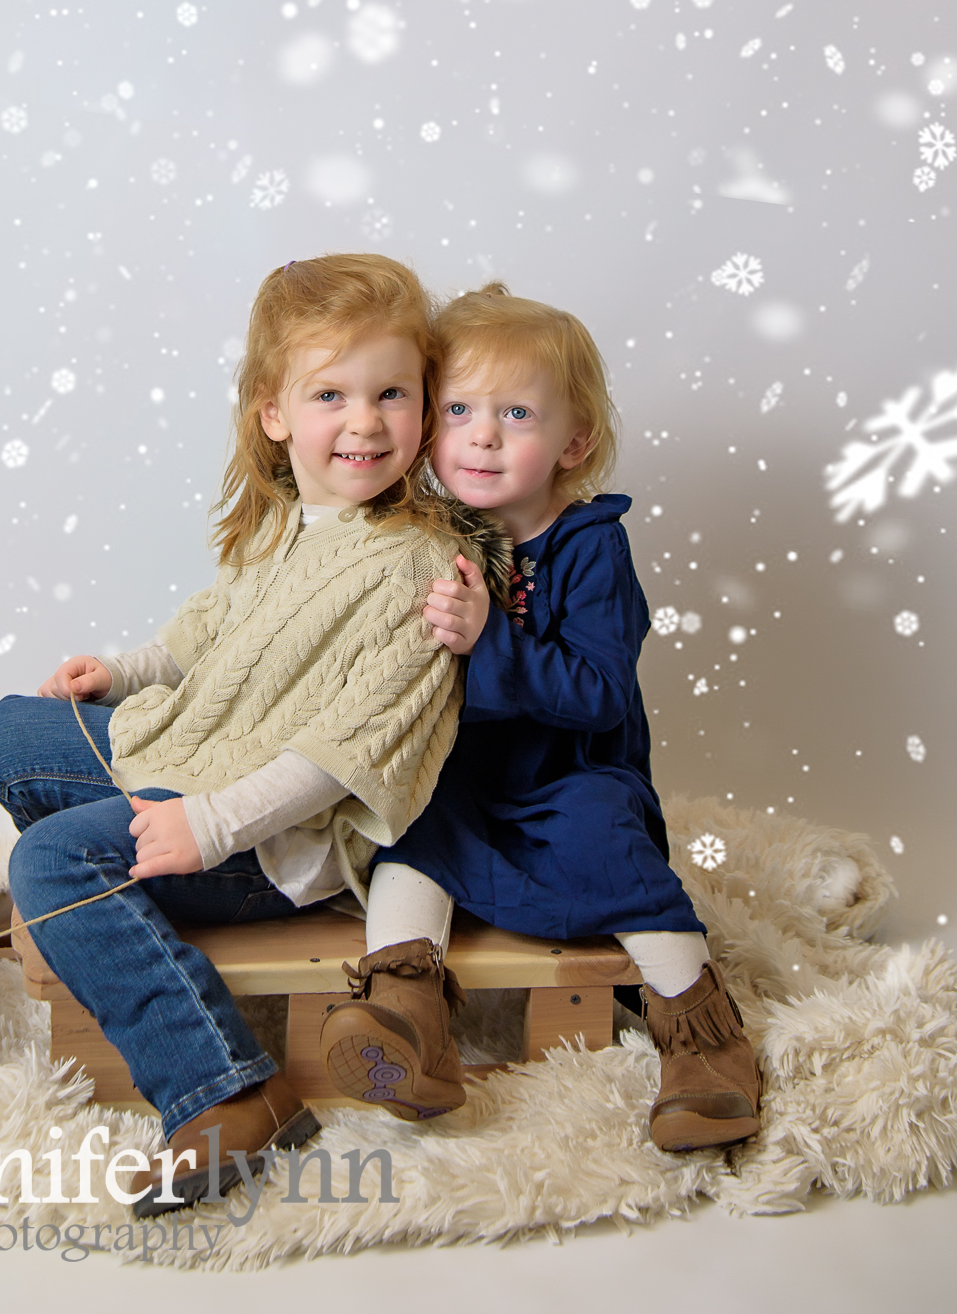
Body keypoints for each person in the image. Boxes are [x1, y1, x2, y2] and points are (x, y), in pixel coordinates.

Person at [0, 254, 493, 1214]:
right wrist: (121, 674)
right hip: (197, 755)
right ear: (274, 412)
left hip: (270, 835)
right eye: (331, 393)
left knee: (50, 861)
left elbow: (347, 755)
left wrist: (207, 829)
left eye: (392, 393)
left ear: (426, 406)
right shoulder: (285, 522)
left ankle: (224, 1091)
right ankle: (102, 911)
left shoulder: (422, 569)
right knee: (11, 731)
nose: (366, 421)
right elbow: (207, 633)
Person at [320, 284, 761, 1152]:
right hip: (459, 775)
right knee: (410, 819)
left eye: (516, 413)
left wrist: (492, 640)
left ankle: (699, 1032)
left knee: (604, 830)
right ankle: (402, 1008)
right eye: (459, 410)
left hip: (567, 775)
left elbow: (598, 692)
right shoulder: (419, 534)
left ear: (574, 442)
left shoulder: (590, 544)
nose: (482, 434)